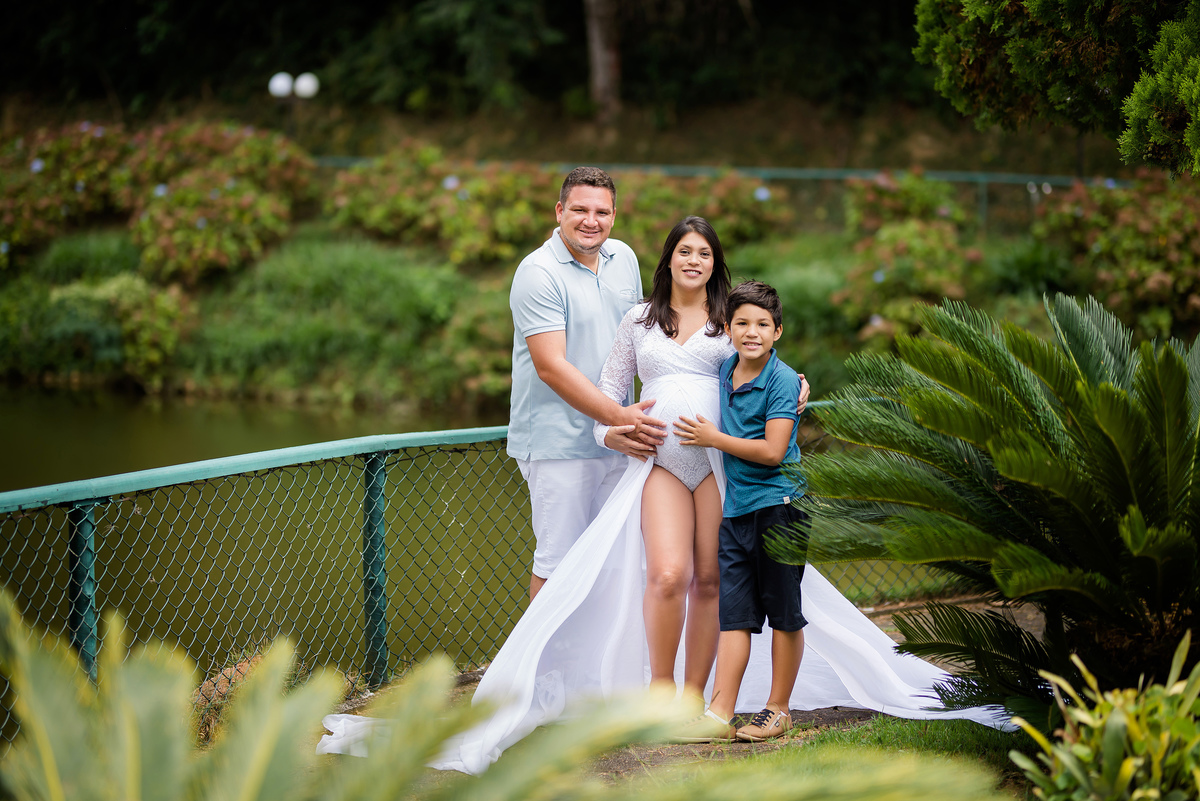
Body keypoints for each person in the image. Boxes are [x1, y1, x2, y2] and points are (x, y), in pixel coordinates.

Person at [316, 218, 1010, 770]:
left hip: (718, 465)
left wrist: (793, 389)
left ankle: (702, 695)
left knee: (713, 577)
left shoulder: (727, 318)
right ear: (668, 259)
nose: (693, 261)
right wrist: (617, 436)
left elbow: (769, 362)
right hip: (657, 465)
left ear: (715, 264)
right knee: (669, 572)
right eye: (683, 251)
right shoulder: (639, 321)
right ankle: (658, 689)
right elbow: (609, 400)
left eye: (704, 253)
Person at [506, 166, 666, 601]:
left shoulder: (625, 258)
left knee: (616, 561)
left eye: (602, 211)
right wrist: (621, 419)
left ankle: (594, 669)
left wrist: (768, 375)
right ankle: (543, 672)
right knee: (559, 564)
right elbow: (550, 366)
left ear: (614, 216)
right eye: (579, 209)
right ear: (559, 211)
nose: (590, 220)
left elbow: (651, 337)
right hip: (561, 443)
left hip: (621, 439)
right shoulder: (538, 272)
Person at [672, 280, 807, 742]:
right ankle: (719, 712)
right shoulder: (727, 368)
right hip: (737, 513)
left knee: (784, 612)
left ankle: (778, 709)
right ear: (727, 328)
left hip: (780, 508)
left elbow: (772, 451)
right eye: (743, 323)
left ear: (778, 332)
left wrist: (713, 439)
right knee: (735, 614)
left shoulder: (783, 380)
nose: (753, 332)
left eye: (763, 325)